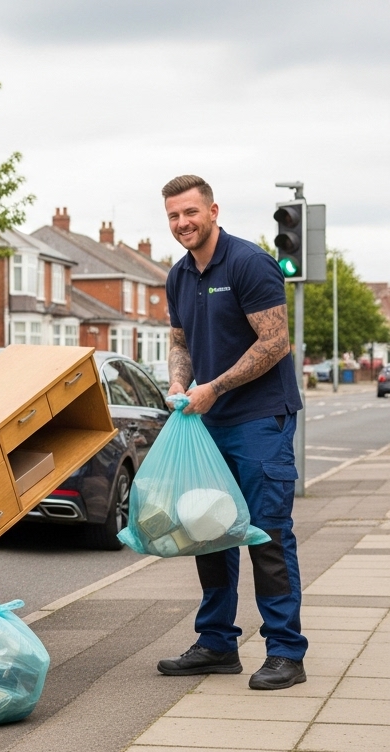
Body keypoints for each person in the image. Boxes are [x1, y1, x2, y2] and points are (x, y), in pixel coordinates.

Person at [158, 174, 308, 690]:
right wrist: (180, 382)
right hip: (206, 420)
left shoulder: (248, 263)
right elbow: (180, 340)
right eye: (174, 216)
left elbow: (275, 342)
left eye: (191, 213)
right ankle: (217, 643)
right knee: (208, 530)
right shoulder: (178, 276)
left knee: (265, 532)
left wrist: (214, 387)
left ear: (213, 210)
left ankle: (286, 651)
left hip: (259, 418)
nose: (183, 223)